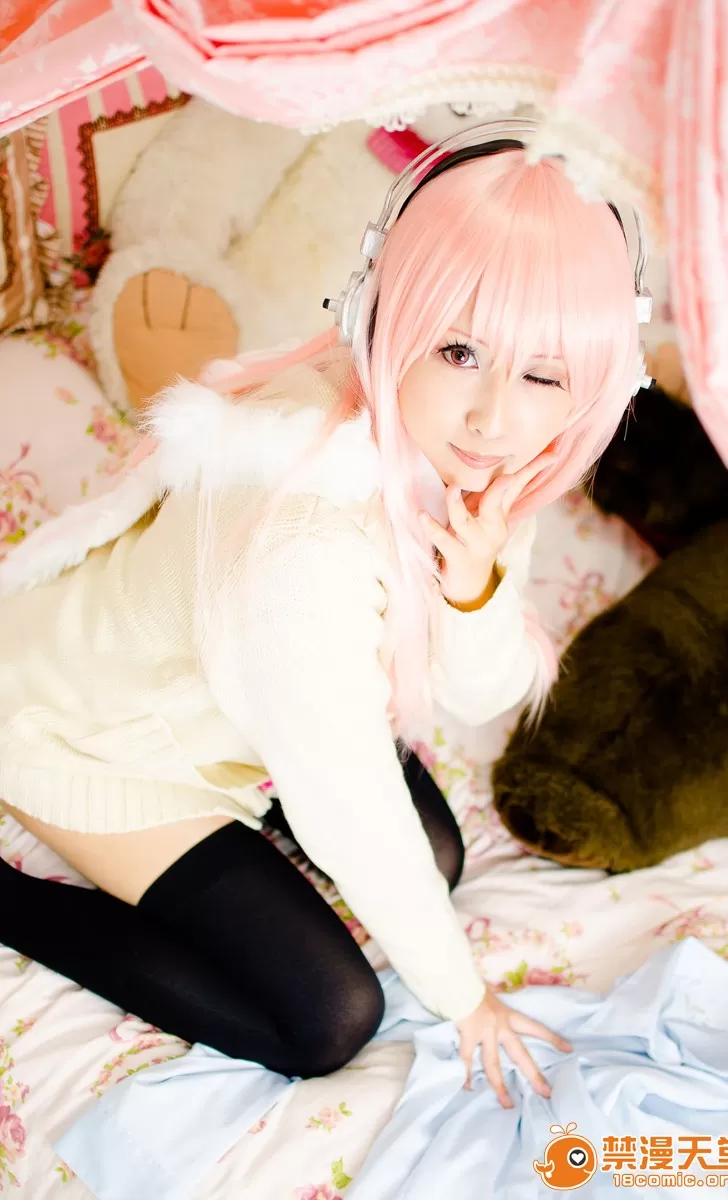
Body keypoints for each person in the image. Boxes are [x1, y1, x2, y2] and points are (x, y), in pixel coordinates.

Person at [0, 123, 645, 1108]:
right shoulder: (306, 545)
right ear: (386, 314)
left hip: (235, 705)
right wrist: (466, 999)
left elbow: (478, 691)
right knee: (329, 1019)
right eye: (460, 350)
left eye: (543, 373)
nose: (493, 416)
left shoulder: (476, 465)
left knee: (435, 860)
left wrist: (473, 584)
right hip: (96, 736)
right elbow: (347, 801)